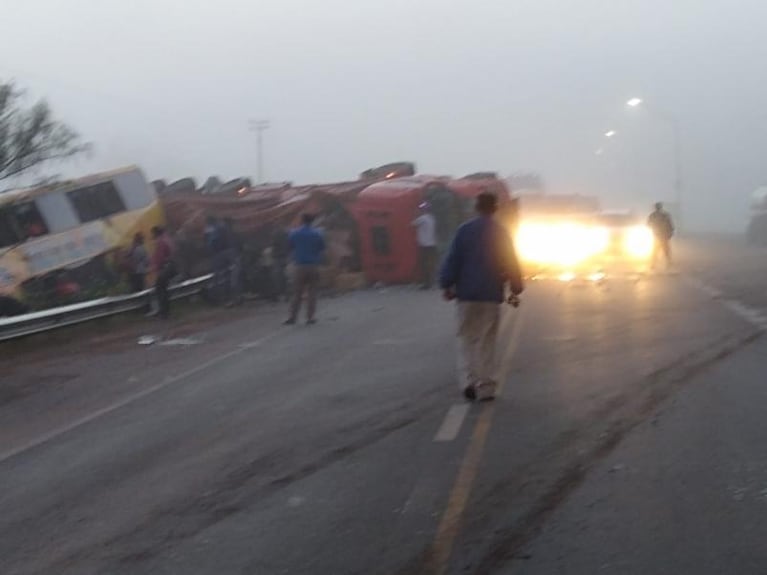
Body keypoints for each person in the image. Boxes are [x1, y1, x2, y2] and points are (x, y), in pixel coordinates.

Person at [440, 192, 524, 401]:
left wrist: (446, 284)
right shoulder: (501, 233)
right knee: (487, 341)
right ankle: (486, 386)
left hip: (466, 295)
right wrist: (516, 287)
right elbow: (511, 262)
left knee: (466, 338)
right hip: (490, 294)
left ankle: (468, 381)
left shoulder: (464, 231)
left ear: (476, 208)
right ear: (495, 209)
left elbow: (452, 260)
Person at [285, 214, 325, 325]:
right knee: (312, 293)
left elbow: (289, 247)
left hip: (299, 266)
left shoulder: (294, 233)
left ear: (302, 221)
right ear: (312, 221)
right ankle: (310, 317)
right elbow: (322, 248)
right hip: (313, 265)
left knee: (297, 293)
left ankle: (292, 317)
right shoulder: (317, 233)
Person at [151, 226, 176, 319]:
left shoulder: (161, 241)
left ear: (156, 233)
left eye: (153, 234)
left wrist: (156, 267)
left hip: (165, 268)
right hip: (171, 266)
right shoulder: (167, 239)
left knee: (159, 288)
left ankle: (164, 312)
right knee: (163, 289)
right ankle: (165, 311)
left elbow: (160, 258)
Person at [205, 216, 230, 303]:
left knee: (218, 276)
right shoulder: (221, 227)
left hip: (216, 255)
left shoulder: (210, 229)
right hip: (223, 253)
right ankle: (226, 296)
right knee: (225, 275)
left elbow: (209, 242)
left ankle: (222, 298)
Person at [412, 201, 438, 289]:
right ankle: (432, 281)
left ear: (423, 210)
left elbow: (412, 224)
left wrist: (414, 214)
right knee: (431, 264)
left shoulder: (422, 218)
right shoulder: (432, 218)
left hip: (424, 245)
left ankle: (426, 283)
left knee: (424, 264)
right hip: (432, 244)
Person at [223, 217, 244, 306]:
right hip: (235, 257)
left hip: (232, 257)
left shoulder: (228, 234)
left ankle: (236, 299)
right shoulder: (234, 233)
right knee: (235, 278)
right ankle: (238, 298)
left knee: (233, 279)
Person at [648, 202, 675, 269]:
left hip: (658, 235)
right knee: (665, 250)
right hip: (664, 235)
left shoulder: (653, 215)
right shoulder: (665, 215)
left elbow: (648, 224)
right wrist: (670, 233)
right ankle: (668, 264)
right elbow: (670, 225)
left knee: (656, 251)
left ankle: (654, 264)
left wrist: (654, 228)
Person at [271, 226, 291, 301]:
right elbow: (289, 245)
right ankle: (286, 295)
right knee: (285, 276)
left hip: (278, 258)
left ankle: (279, 294)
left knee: (277, 277)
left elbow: (273, 245)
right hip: (285, 257)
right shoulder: (286, 234)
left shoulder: (275, 234)